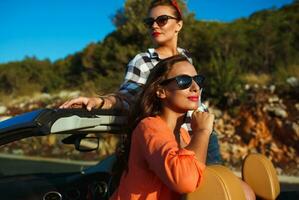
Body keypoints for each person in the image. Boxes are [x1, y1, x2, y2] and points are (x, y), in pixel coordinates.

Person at [60, 0, 222, 165]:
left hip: (206, 137)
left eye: (162, 20)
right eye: (149, 22)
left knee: (225, 187)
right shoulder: (143, 61)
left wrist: (206, 127)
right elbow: (126, 96)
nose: (154, 25)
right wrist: (99, 101)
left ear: (178, 25)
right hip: (173, 141)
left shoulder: (186, 57)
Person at [110, 55, 214, 200]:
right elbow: (185, 181)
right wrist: (203, 132)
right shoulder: (149, 126)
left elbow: (199, 180)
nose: (195, 88)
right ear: (161, 91)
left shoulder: (183, 134)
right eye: (184, 81)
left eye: (198, 80)